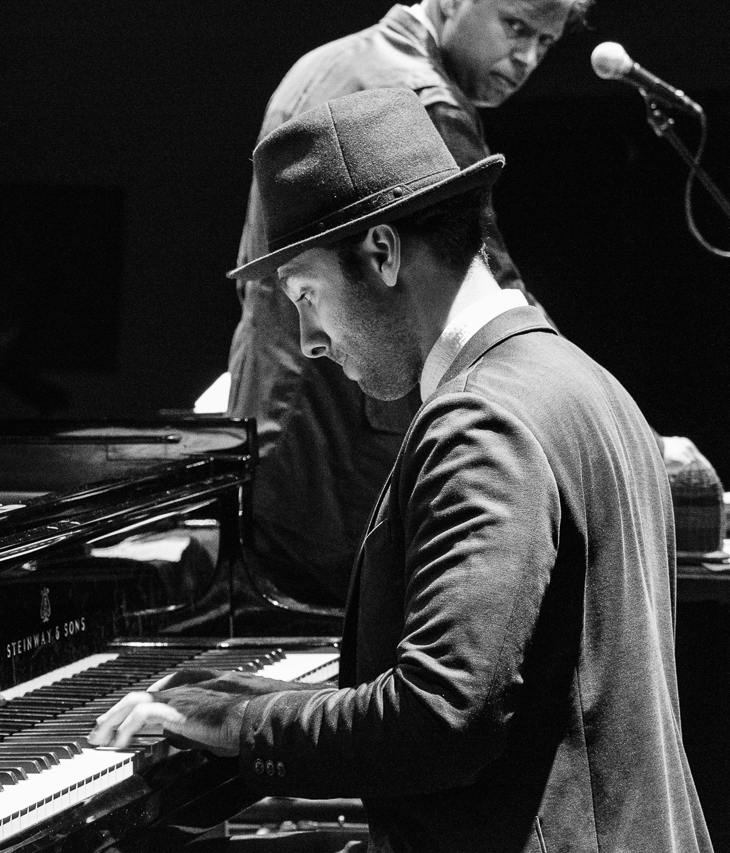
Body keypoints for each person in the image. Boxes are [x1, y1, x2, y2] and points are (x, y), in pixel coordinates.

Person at [92, 89, 712, 851]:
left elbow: (441, 718)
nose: (310, 340)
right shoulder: (585, 381)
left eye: (308, 296)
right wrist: (260, 699)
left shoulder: (480, 422)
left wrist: (244, 720)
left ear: (382, 252)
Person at [227, 0, 586, 607]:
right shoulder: (424, 102)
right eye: (515, 26)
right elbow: (486, 297)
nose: (526, 58)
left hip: (263, 431)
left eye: (545, 42)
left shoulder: (323, 61)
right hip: (345, 463)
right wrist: (586, 410)